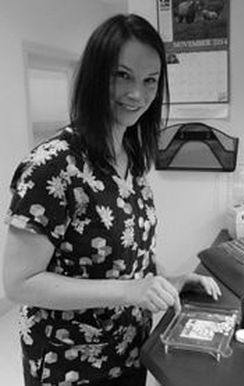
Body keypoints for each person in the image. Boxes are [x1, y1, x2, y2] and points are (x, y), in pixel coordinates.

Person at [2, 13, 221, 386]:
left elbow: (127, 248)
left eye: (150, 80)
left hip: (130, 349)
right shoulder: (52, 166)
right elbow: (19, 282)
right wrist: (130, 290)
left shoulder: (131, 158)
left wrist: (166, 278)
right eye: (122, 75)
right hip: (70, 363)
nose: (137, 94)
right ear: (94, 75)